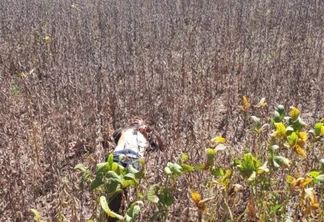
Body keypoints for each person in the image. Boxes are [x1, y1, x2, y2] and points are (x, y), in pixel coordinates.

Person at [107, 116, 166, 221]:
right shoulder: (123, 130)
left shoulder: (148, 136)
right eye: (134, 119)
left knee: (127, 195)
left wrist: (150, 130)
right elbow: (113, 137)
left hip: (134, 158)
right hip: (117, 156)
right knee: (114, 194)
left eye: (139, 119)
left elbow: (162, 147)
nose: (136, 119)